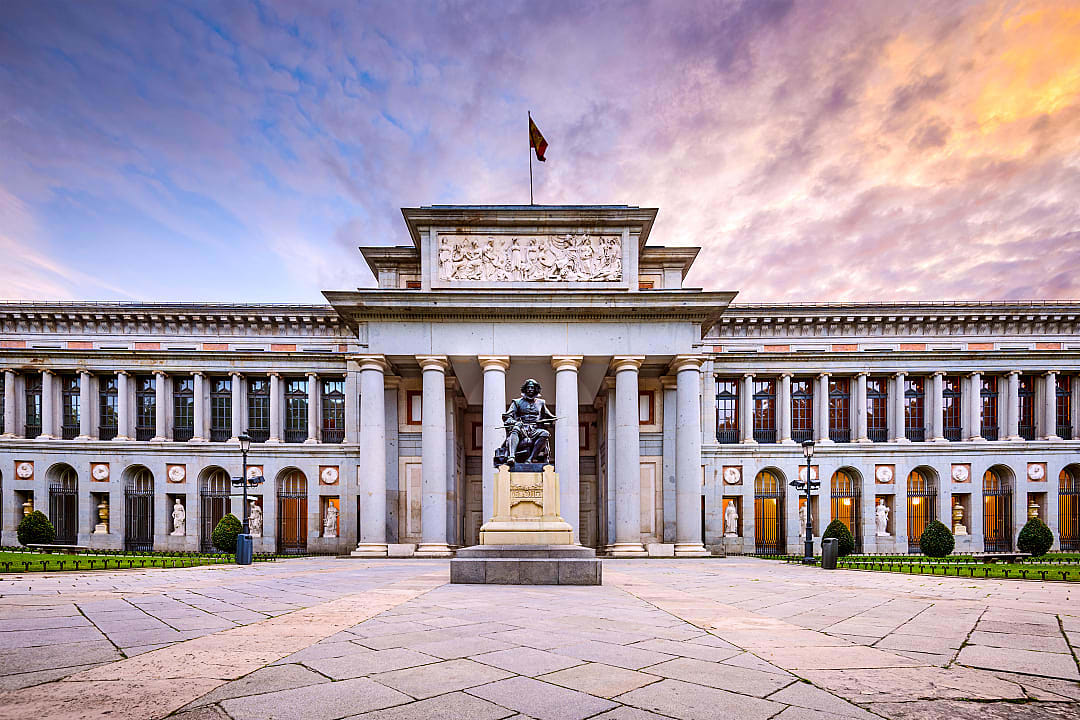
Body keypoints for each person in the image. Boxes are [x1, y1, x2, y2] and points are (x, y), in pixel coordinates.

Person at [494, 379, 556, 467]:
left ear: (536, 389)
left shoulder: (541, 403)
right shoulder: (517, 402)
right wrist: (515, 422)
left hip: (535, 430)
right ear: (525, 389)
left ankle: (530, 458)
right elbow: (507, 416)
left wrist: (553, 419)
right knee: (515, 429)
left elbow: (548, 415)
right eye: (528, 387)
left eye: (532, 387)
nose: (530, 389)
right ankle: (511, 457)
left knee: (545, 433)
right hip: (522, 428)